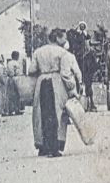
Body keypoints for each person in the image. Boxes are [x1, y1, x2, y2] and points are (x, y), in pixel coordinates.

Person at [28, 29, 82, 157]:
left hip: (42, 82)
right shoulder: (64, 53)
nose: (65, 40)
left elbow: (32, 69)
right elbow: (66, 74)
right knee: (57, 113)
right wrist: (73, 90)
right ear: (58, 38)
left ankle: (42, 146)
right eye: (64, 38)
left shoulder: (38, 51)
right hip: (57, 83)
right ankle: (54, 147)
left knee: (41, 114)